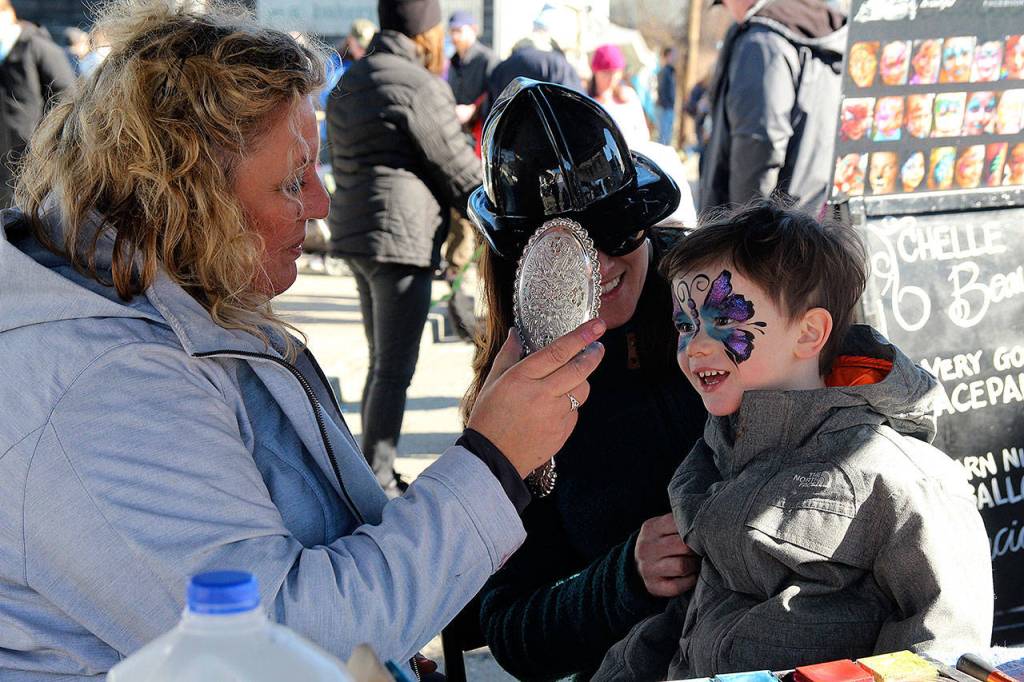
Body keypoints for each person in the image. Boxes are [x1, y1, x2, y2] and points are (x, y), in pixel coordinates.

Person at [0, 2, 609, 679]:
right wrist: (493, 460)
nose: (320, 204)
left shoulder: (182, 290)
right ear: (187, 194)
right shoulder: (99, 386)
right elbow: (277, 644)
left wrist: (388, 657)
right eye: (293, 181)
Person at [594, 198, 993, 681]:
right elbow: (692, 619)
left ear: (809, 334)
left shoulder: (894, 475)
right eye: (685, 323)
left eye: (726, 318)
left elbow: (943, 643)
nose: (695, 344)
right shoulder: (717, 454)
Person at [461, 78, 707, 681]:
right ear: (516, 264)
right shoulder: (518, 391)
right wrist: (624, 577)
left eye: (613, 231)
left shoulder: (722, 294)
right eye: (561, 254)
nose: (596, 266)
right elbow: (509, 628)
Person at [327, 0, 482, 495]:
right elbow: (459, 171)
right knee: (394, 368)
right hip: (402, 240)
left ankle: (375, 467)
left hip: (356, 236)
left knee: (381, 363)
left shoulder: (351, 79)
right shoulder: (417, 85)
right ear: (428, 33)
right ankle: (378, 478)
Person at [700, 0, 846, 214]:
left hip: (768, 235)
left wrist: (745, 233)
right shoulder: (825, 34)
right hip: (808, 224)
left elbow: (760, 143)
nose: (729, 11)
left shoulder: (762, 43)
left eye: (724, 4)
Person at [0, 0, 74, 207]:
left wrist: (48, 139)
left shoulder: (38, 46)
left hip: (29, 151)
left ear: (7, 15)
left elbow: (65, 95)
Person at [589, 43, 649, 147]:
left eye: (615, 73)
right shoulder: (587, 101)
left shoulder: (629, 96)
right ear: (595, 71)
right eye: (606, 73)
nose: (611, 79)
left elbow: (643, 133)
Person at [446, 10, 497, 131]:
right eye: (452, 31)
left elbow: (497, 94)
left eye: (459, 31)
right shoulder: (453, 61)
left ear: (473, 29)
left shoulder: (488, 59)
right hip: (457, 130)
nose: (454, 37)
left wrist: (473, 109)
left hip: (481, 131)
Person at [656, 47, 676, 146]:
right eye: (672, 55)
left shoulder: (670, 71)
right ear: (667, 56)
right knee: (663, 137)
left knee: (667, 135)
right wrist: (666, 104)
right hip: (664, 108)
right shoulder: (664, 72)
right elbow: (662, 90)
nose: (674, 58)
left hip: (668, 107)